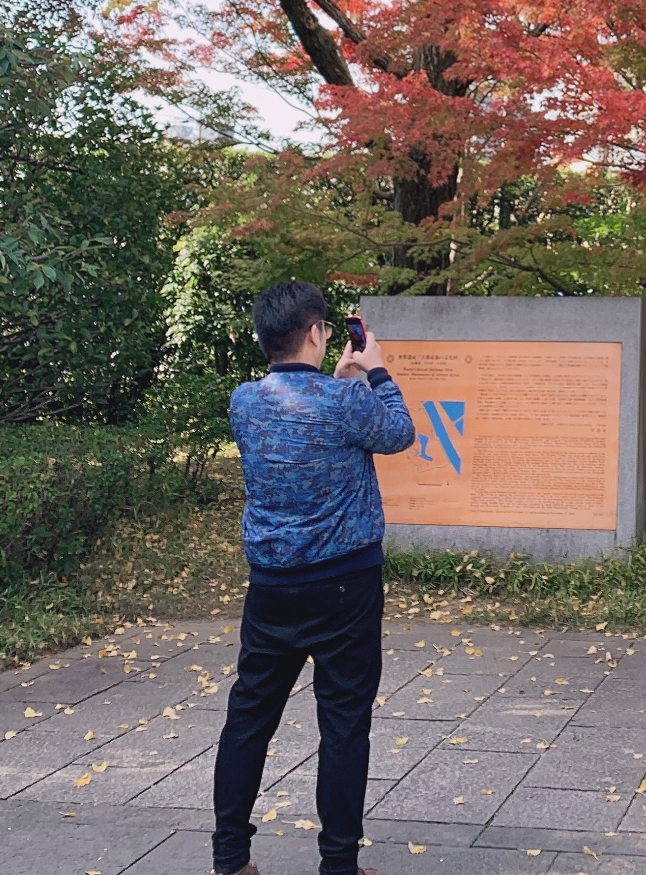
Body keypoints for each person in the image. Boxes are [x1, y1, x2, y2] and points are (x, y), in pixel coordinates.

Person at [212, 280, 415, 875]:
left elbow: (317, 428)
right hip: (346, 585)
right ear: (313, 333)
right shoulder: (346, 401)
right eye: (325, 329)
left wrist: (344, 385)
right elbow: (397, 432)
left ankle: (230, 861)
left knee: (249, 716)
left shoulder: (244, 401)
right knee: (345, 723)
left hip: (271, 585)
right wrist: (373, 373)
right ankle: (338, 866)